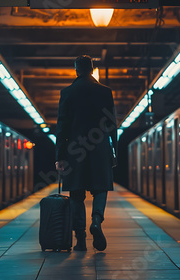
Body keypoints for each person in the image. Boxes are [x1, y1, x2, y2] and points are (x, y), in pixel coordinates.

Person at [55, 55, 117, 252]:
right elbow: (112, 125)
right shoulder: (105, 92)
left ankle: (80, 239)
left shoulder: (67, 93)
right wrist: (113, 151)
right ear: (92, 70)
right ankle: (96, 221)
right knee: (100, 189)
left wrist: (60, 156)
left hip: (75, 150)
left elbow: (62, 127)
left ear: (76, 70)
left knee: (76, 193)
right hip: (99, 149)